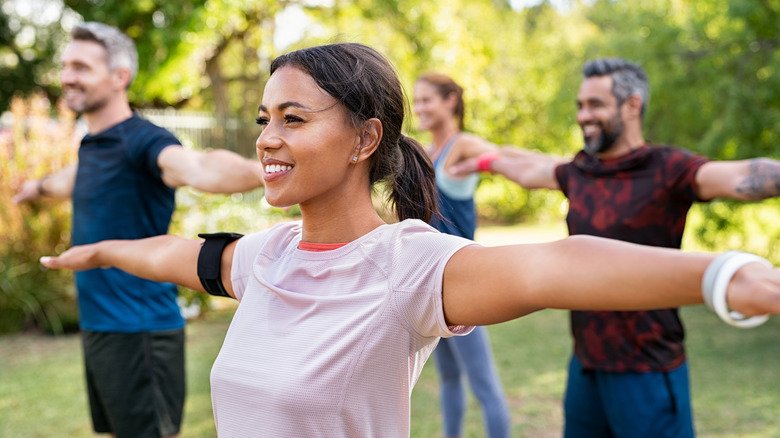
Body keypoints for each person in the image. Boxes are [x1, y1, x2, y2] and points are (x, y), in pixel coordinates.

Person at [39, 44, 780, 438]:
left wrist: (725, 275)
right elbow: (172, 254)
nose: (267, 138)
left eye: (293, 119)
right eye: (265, 118)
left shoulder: (408, 266)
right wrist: (100, 253)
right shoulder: (265, 258)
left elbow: (560, 263)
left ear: (365, 137)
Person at [451, 58, 780, 437]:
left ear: (632, 105)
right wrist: (484, 162)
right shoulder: (579, 170)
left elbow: (740, 175)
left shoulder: (667, 168)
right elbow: (529, 168)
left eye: (595, 105)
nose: (583, 115)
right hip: (586, 366)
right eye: (580, 105)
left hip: (647, 370)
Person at [13, 22, 263, 438]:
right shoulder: (94, 145)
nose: (67, 76)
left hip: (140, 332)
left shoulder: (144, 142)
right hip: (102, 328)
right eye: (65, 65)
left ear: (119, 77)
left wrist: (264, 172)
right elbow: (68, 181)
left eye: (81, 66)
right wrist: (34, 188)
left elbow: (196, 167)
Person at [413, 73, 510, 438]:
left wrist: (480, 164)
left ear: (451, 100)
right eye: (417, 100)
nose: (419, 108)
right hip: (431, 284)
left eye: (427, 100)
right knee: (450, 379)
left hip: (464, 281)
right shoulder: (425, 153)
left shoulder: (463, 144)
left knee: (483, 383)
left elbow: (504, 157)